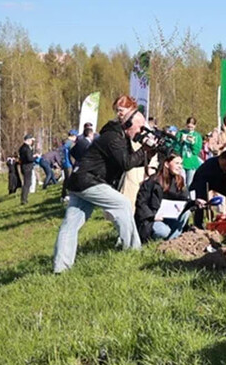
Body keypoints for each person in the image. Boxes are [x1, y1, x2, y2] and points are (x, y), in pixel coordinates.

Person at [53, 95, 163, 273]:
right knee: (123, 203)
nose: (142, 131)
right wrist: (145, 150)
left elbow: (129, 161)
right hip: (89, 180)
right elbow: (126, 163)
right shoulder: (113, 137)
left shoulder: (118, 136)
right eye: (140, 127)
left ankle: (60, 268)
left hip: (80, 181)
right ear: (128, 125)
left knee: (70, 224)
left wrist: (148, 153)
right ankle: (133, 250)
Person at [136, 152, 201, 242]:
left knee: (186, 213)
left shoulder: (179, 181)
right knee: (163, 231)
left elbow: (185, 200)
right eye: (177, 163)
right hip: (152, 219)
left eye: (181, 164)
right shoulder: (153, 181)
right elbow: (141, 202)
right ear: (166, 164)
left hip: (170, 217)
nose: (180, 166)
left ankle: (171, 242)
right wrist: (152, 216)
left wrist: (195, 203)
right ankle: (153, 242)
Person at [177, 116, 204, 189]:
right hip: (181, 162)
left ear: (195, 126)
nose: (190, 126)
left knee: (190, 184)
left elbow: (196, 151)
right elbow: (176, 147)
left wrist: (193, 143)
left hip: (192, 163)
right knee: (181, 182)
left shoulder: (197, 136)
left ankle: (190, 198)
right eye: (189, 124)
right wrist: (181, 141)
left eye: (192, 125)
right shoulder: (180, 133)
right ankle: (181, 197)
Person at [17, 135, 37, 205]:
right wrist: (35, 157)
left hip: (23, 166)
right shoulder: (27, 148)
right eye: (31, 140)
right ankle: (24, 199)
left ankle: (24, 198)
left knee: (27, 183)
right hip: (27, 167)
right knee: (27, 183)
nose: (32, 142)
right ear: (28, 140)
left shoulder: (21, 148)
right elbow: (29, 159)